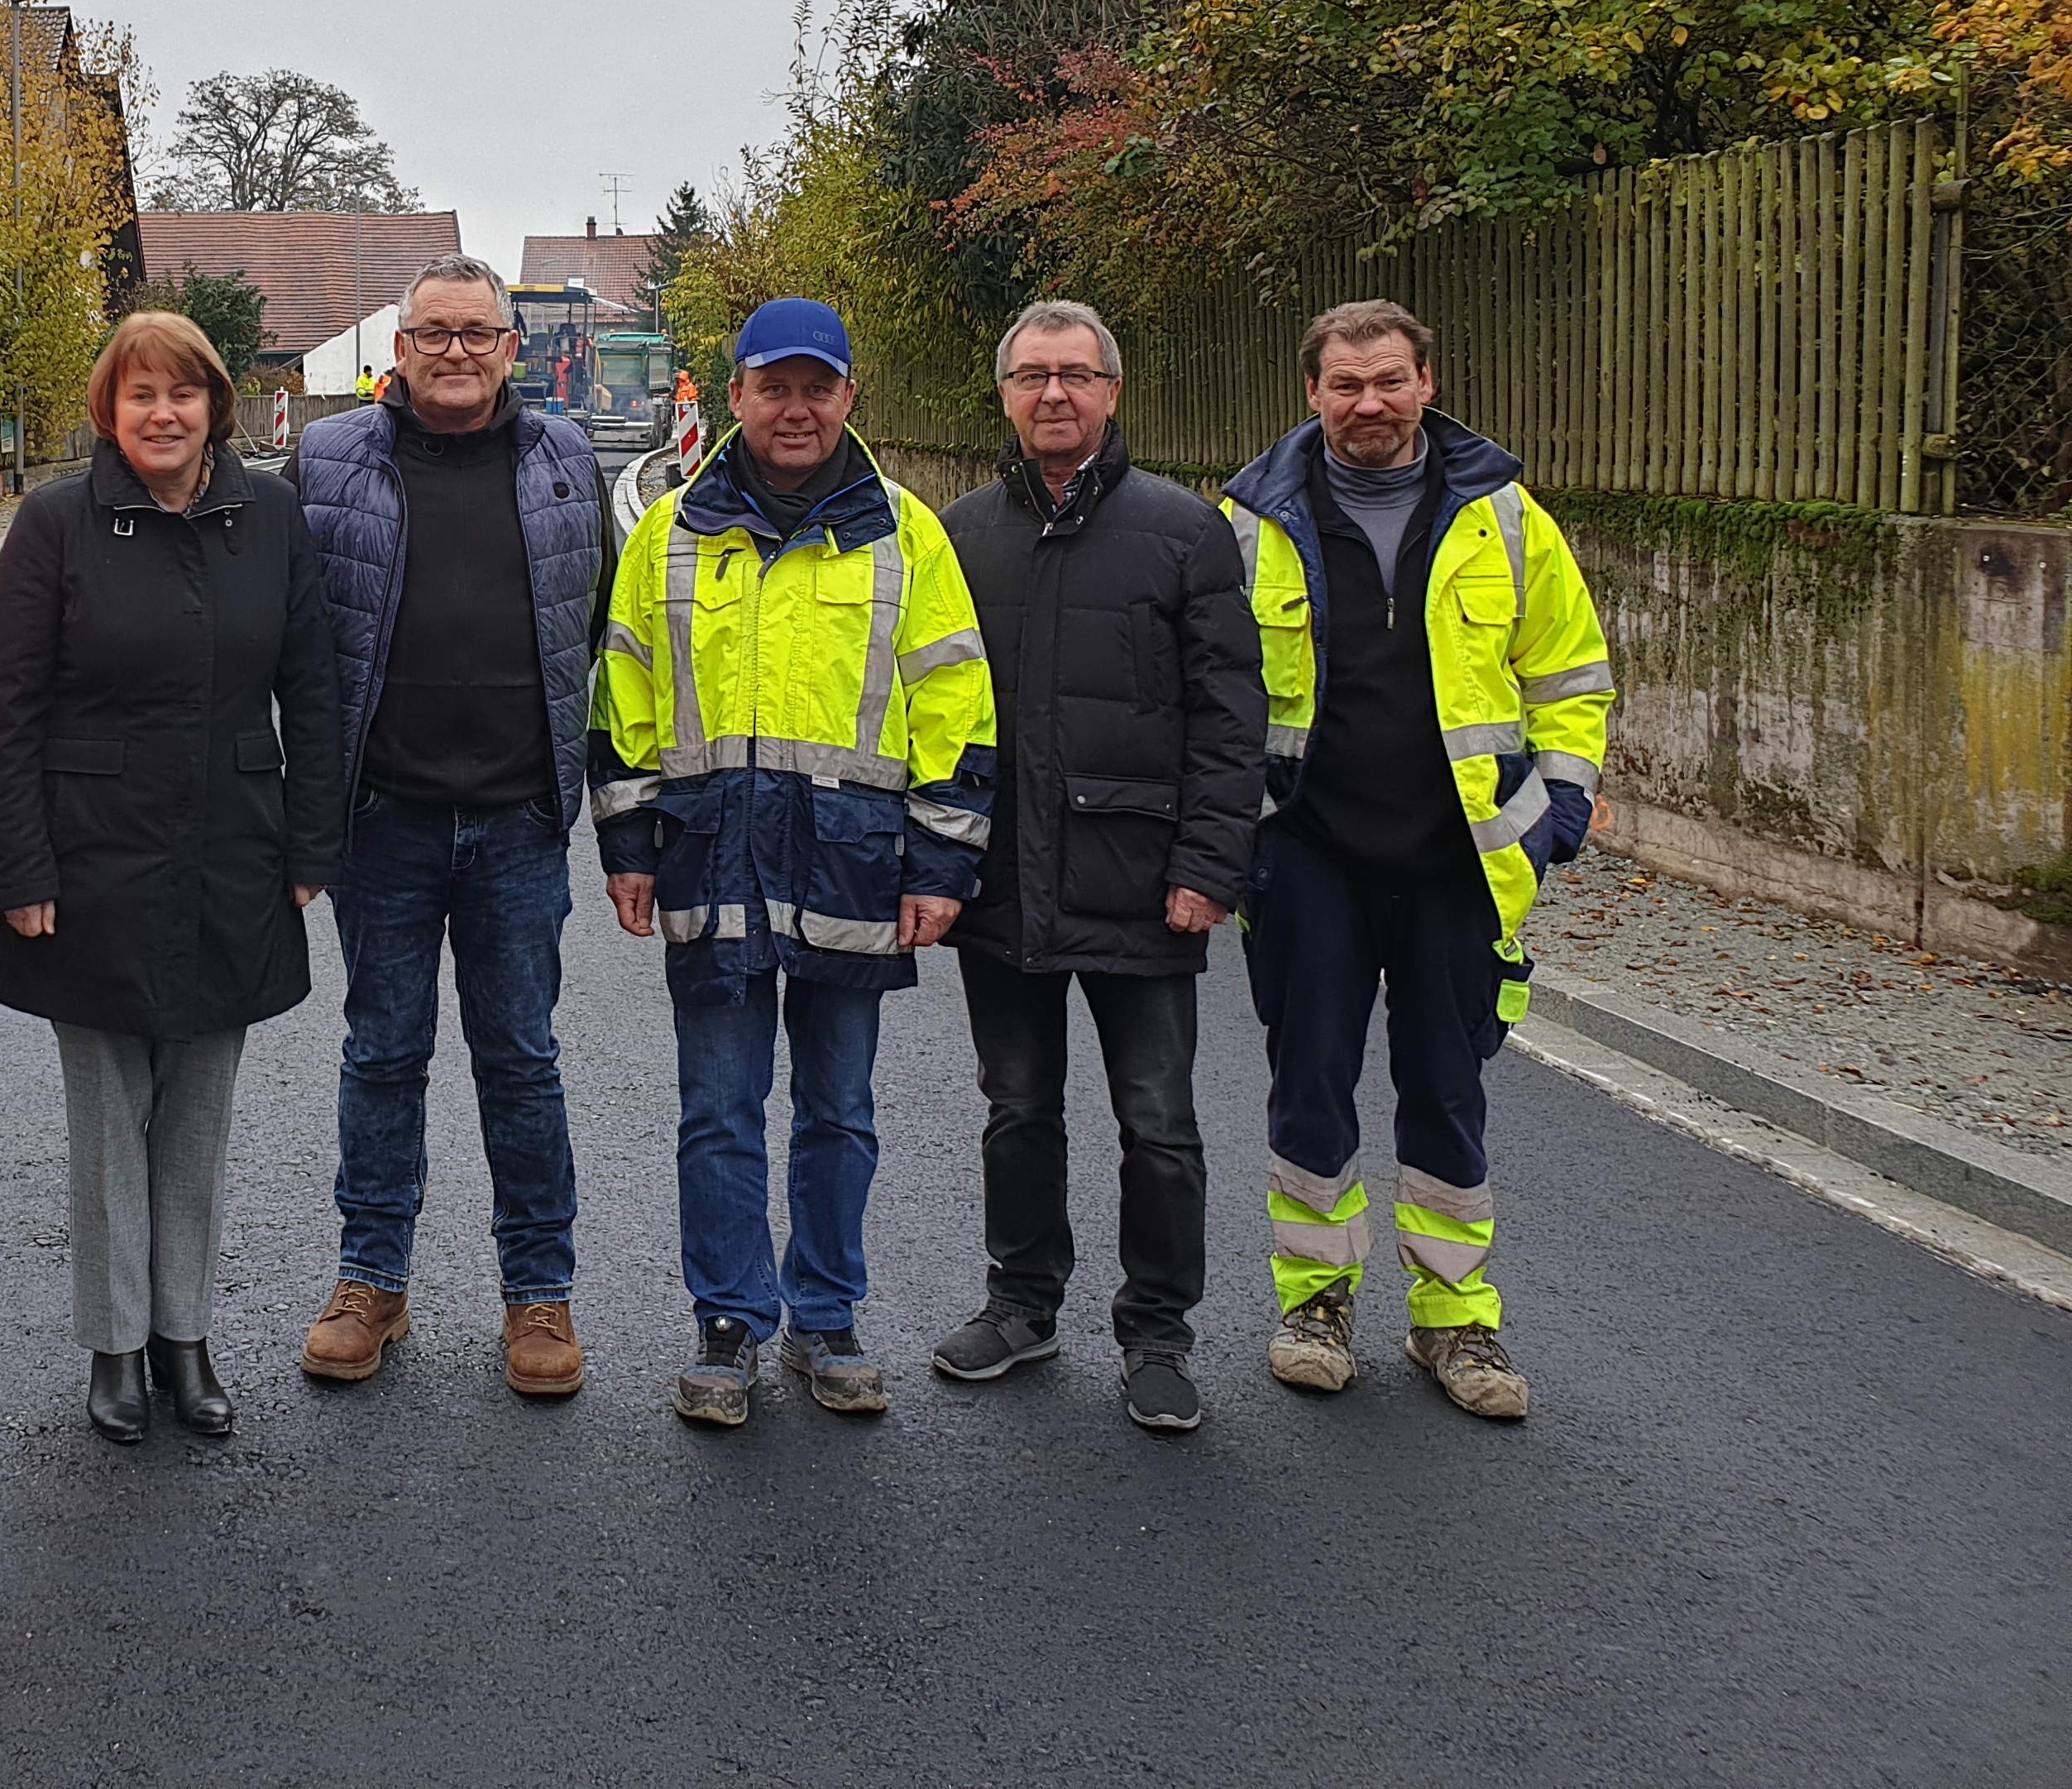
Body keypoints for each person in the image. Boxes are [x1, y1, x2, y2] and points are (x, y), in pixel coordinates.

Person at [592, 299, 996, 1428]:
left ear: (850, 397)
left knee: (839, 1108)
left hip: (854, 867)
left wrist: (941, 865)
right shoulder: (668, 534)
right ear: (736, 398)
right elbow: (622, 699)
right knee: (719, 1108)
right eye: (775, 386)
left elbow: (957, 708)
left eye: (819, 387)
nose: (797, 407)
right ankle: (729, 1322)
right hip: (711, 857)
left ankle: (828, 1316)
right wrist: (628, 842)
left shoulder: (907, 536)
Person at [1220, 299, 1615, 1419]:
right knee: (1311, 1088)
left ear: (1428, 383)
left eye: (1389, 381)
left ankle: (1456, 1323)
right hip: (1310, 857)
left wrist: (1559, 818)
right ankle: (1315, 1303)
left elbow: (1572, 676)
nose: (1369, 404)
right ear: (1312, 394)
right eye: (1345, 385)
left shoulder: (1506, 519)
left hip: (1458, 861)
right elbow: (1217, 691)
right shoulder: (1249, 521)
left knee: (1448, 1093)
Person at [0, 313, 341, 1443]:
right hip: (90, 856)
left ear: (217, 407)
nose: (163, 414)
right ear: (110, 409)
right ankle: (118, 1347)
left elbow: (314, 690)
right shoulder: (54, 525)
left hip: (234, 846)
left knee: (199, 1115)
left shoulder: (273, 517)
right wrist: (21, 867)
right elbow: (12, 711)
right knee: (106, 1113)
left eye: (182, 394)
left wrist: (311, 846)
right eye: (139, 395)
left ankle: (188, 1340)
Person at [935, 300, 1261, 1433]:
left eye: (1077, 375)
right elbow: (930, 716)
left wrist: (1211, 865)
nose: (1055, 395)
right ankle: (1021, 1306)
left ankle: (1158, 1334)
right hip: (1005, 882)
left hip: (1144, 881)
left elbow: (1231, 718)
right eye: (1033, 376)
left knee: (1158, 1121)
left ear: (1114, 394)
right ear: (1007, 395)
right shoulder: (961, 534)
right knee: (1017, 1108)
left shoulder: (1186, 531)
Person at [293, 256, 607, 1398]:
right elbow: (290, 640)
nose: (459, 353)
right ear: (403, 350)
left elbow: (598, 621)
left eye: (479, 335)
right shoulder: (326, 461)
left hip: (521, 821)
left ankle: (539, 1296)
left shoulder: (564, 459)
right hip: (385, 820)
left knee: (522, 1060)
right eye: (436, 335)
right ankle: (371, 1280)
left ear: (510, 350)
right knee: (383, 1053)